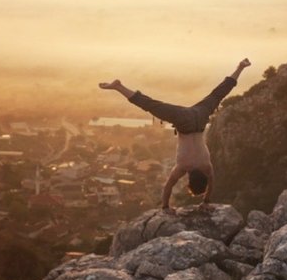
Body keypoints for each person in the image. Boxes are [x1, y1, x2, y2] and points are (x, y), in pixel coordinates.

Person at [99, 58, 251, 214]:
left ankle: (240, 67)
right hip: (184, 122)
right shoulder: (183, 167)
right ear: (189, 181)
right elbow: (168, 186)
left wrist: (206, 200)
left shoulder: (207, 167)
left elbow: (211, 184)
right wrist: (165, 207)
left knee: (217, 94)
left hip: (200, 117)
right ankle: (118, 87)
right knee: (151, 105)